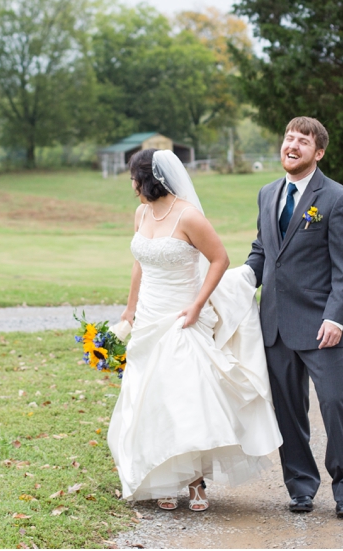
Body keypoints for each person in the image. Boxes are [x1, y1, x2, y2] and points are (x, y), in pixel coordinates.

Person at [107, 148, 282, 512]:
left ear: (149, 180)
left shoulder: (188, 215)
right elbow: (139, 263)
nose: (132, 187)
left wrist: (198, 304)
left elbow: (220, 258)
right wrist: (130, 308)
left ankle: (195, 481)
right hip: (149, 316)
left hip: (181, 314)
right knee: (150, 397)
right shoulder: (141, 213)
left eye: (134, 180)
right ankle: (163, 478)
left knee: (184, 396)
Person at [245, 116, 343, 518]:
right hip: (275, 324)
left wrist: (336, 317)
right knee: (288, 412)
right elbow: (263, 249)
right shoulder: (266, 193)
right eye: (287, 138)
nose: (291, 145)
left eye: (302, 141)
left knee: (334, 404)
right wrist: (239, 283)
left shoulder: (337, 198)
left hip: (322, 325)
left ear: (319, 152)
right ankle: (300, 486)